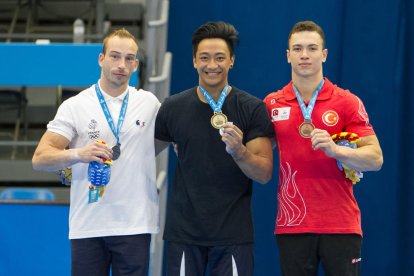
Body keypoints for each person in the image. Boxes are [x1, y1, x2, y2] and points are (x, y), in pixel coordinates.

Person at [32, 28, 161, 276]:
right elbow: (40, 158)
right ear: (101, 59)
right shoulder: (75, 105)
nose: (121, 64)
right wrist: (78, 154)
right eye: (115, 56)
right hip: (89, 224)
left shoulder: (149, 104)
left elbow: (168, 141)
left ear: (135, 65)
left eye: (129, 58)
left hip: (134, 224)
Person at [263, 21, 384, 276]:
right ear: (288, 56)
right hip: (292, 224)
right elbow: (257, 156)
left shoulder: (347, 102)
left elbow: (375, 159)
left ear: (324, 54)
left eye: (312, 48)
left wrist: (337, 151)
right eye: (297, 49)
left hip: (340, 224)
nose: (304, 55)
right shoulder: (271, 103)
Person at [155, 21, 274, 275]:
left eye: (220, 57)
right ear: (194, 61)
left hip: (233, 234)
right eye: (204, 58)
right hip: (184, 233)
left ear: (231, 60)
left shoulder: (252, 108)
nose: (212, 65)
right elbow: (143, 153)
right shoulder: (172, 108)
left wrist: (239, 152)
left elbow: (264, 173)